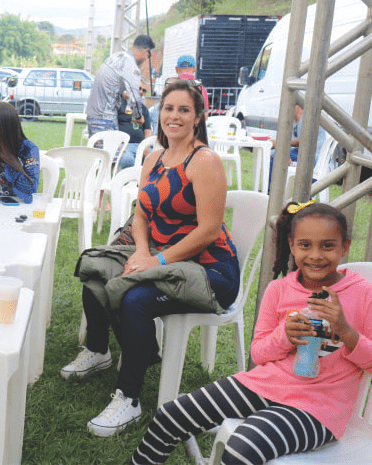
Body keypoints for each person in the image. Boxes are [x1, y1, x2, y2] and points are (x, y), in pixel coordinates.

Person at [130, 201, 372, 464]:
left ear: (345, 246)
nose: (316, 255)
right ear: (292, 245)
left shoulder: (365, 294)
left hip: (318, 409)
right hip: (265, 384)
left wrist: (346, 331)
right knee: (171, 415)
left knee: (242, 448)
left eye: (328, 246)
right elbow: (259, 353)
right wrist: (284, 335)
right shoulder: (279, 290)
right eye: (305, 245)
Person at [62, 79, 240, 437]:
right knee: (96, 269)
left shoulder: (204, 161)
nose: (174, 116)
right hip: (162, 256)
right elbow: (141, 215)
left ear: (198, 117)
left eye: (184, 110)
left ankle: (129, 398)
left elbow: (208, 230)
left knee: (137, 299)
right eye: (169, 108)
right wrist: (142, 252)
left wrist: (156, 263)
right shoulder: (155, 158)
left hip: (210, 270)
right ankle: (99, 350)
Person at [86, 34, 154, 137]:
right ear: (146, 50)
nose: (146, 59)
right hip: (105, 117)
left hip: (94, 114)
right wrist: (139, 117)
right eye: (149, 55)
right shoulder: (131, 65)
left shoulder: (116, 57)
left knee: (99, 147)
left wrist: (122, 94)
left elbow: (108, 83)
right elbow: (135, 97)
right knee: (112, 147)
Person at [268, 103, 327, 189]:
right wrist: (284, 152)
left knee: (276, 154)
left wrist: (280, 144)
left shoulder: (310, 117)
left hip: (314, 156)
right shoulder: (292, 120)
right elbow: (286, 140)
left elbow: (305, 140)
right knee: (274, 154)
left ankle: (309, 192)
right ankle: (271, 189)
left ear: (298, 105)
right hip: (300, 153)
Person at [118, 78, 152, 169]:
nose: (141, 92)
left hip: (140, 145)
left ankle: (145, 178)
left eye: (144, 90)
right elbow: (112, 126)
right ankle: (129, 178)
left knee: (155, 159)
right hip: (123, 145)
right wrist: (117, 144)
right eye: (139, 88)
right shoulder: (119, 104)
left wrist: (146, 145)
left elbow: (148, 130)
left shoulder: (144, 109)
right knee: (128, 160)